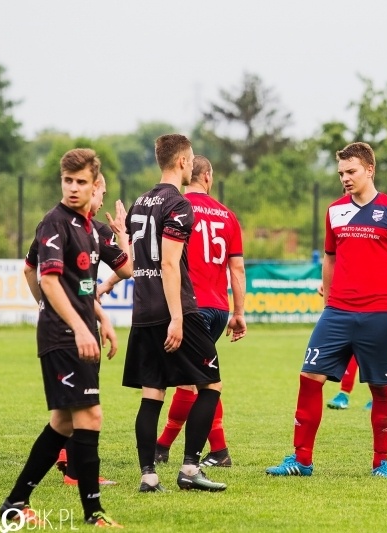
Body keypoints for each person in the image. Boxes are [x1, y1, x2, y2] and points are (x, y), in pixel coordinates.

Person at [266, 141, 387, 478]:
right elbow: (330, 259)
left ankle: (381, 462)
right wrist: (327, 305)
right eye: (340, 173)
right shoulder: (335, 210)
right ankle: (301, 460)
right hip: (337, 313)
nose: (345, 178)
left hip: (379, 314)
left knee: (381, 388)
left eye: (351, 171)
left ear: (369, 170)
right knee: (309, 377)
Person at [0, 149, 131, 528]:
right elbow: (49, 280)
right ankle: (93, 513)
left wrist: (100, 318)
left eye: (81, 182)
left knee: (63, 422)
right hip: (64, 336)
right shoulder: (55, 223)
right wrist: (75, 325)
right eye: (68, 181)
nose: (73, 188)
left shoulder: (89, 228)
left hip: (79, 330)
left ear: (95, 185)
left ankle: (15, 503)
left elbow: (119, 271)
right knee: (90, 415)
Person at [122, 134, 226, 493]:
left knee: (152, 393)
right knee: (211, 384)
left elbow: (133, 263)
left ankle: (148, 476)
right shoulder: (179, 205)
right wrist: (178, 317)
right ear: (182, 161)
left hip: (143, 310)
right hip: (174, 308)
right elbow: (168, 263)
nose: (192, 164)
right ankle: (190, 469)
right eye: (191, 158)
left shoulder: (139, 202)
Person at [24, 172, 129, 487]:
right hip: (72, 331)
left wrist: (101, 317)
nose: (102, 201)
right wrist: (123, 234)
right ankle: (77, 474)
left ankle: (62, 466)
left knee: (70, 410)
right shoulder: (85, 228)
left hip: (74, 324)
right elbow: (127, 267)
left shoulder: (63, 225)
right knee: (86, 408)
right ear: (92, 189)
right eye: (102, 193)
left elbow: (31, 270)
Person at [152, 155, 246, 469]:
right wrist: (239, 312)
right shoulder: (227, 215)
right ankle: (165, 446)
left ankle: (216, 451)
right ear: (207, 177)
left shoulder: (177, 207)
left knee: (199, 381)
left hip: (190, 306)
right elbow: (237, 269)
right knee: (195, 380)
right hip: (219, 309)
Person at [326, 257, 387, 411]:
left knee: (374, 350)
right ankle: (344, 394)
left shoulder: (380, 247)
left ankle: (376, 397)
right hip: (351, 299)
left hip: (377, 303)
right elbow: (337, 260)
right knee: (352, 348)